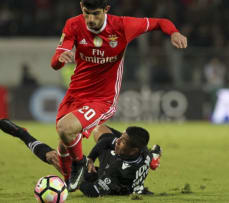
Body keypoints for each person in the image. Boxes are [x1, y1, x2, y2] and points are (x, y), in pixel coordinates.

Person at [50, 0, 187, 191]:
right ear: (81, 7)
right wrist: (60, 59)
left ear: (106, 10)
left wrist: (174, 32)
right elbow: (55, 62)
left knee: (65, 129)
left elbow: (159, 22)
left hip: (102, 99)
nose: (90, 19)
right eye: (86, 13)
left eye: (95, 13)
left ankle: (79, 164)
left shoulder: (123, 25)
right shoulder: (73, 24)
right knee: (64, 144)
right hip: (75, 94)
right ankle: (70, 182)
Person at [0, 119, 162, 197]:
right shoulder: (137, 151)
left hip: (112, 180)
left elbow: (92, 191)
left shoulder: (116, 171)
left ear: (134, 150)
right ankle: (154, 158)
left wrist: (77, 175)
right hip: (124, 160)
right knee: (99, 127)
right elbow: (106, 140)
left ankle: (23, 135)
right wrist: (90, 158)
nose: (118, 141)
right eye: (121, 137)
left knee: (55, 157)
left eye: (123, 141)